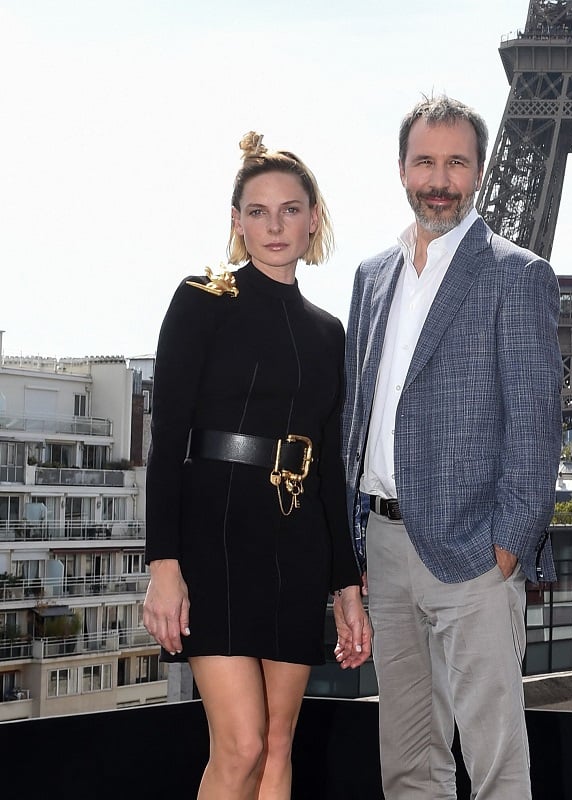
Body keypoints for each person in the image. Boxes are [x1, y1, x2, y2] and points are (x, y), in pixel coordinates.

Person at [341, 95, 560, 798]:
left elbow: (535, 425)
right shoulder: (372, 277)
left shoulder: (516, 272)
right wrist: (354, 541)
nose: (440, 178)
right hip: (383, 540)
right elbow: (357, 411)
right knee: (409, 759)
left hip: (474, 550)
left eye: (456, 162)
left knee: (495, 761)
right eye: (425, 160)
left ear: (482, 169)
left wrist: (507, 545)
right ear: (402, 167)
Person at [143, 132, 371, 800]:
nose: (275, 225)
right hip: (214, 537)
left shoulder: (329, 331)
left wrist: (348, 586)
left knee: (277, 745)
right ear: (237, 222)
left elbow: (328, 468)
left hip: (295, 543)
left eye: (291, 210)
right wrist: (163, 566)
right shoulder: (201, 299)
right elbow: (167, 438)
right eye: (259, 211)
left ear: (314, 220)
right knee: (239, 746)